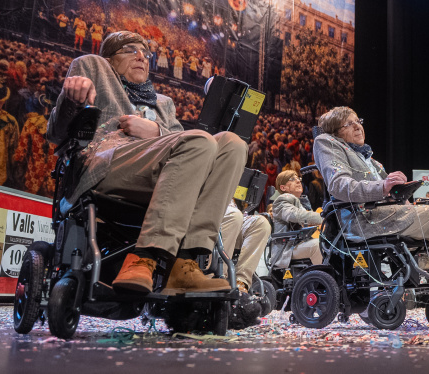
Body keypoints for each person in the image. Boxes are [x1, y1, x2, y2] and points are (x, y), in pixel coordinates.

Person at [46, 31, 248, 295]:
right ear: (110, 58)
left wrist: (157, 132)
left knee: (233, 144)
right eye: (130, 49)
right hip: (108, 162)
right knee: (200, 140)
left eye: (145, 53)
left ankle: (185, 262)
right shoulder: (94, 67)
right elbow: (57, 134)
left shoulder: (164, 103)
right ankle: (144, 256)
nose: (141, 56)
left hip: (166, 176)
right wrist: (71, 99)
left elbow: (186, 144)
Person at [313, 106, 429, 299]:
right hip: (361, 219)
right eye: (349, 123)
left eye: (358, 121)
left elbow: (390, 193)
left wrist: (401, 191)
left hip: (383, 214)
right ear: (335, 132)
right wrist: (384, 186)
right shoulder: (326, 143)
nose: (357, 127)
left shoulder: (372, 161)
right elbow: (339, 185)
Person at [268, 170, 323, 270]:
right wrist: (323, 218)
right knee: (317, 245)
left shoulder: (301, 202)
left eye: (299, 178)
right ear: (283, 187)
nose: (298, 181)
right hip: (286, 250)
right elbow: (297, 215)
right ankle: (322, 281)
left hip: (298, 245)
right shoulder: (281, 201)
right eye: (293, 179)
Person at [219, 198, 272, 292]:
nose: (298, 182)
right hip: (213, 214)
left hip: (234, 216)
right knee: (234, 216)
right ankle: (218, 277)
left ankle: (241, 281)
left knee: (261, 223)